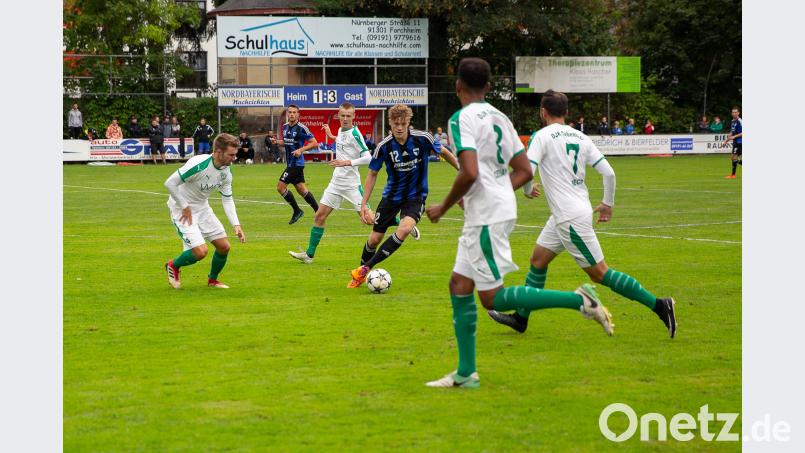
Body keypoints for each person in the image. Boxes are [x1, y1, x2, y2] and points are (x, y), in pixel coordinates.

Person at [423, 60, 615, 389]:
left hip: (486, 214)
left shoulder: (460, 119)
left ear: (458, 86)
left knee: (492, 298)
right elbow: (524, 170)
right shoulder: (501, 117)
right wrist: (495, 189)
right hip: (497, 208)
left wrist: (444, 205)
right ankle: (466, 373)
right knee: (459, 284)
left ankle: (580, 301)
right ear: (487, 87)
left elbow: (468, 171)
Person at [486, 89, 677, 340]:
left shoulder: (541, 136)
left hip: (569, 218)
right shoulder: (581, 137)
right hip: (569, 213)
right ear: (566, 113)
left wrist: (528, 191)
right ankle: (521, 318)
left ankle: (660, 305)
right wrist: (607, 203)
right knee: (538, 260)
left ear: (543, 112)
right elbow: (609, 173)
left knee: (600, 274)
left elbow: (526, 170)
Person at [346, 104, 459, 289]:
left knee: (405, 228)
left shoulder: (423, 139)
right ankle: (361, 271)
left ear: (409, 123)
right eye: (396, 123)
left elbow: (444, 151)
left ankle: (364, 270)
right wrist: (363, 205)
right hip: (391, 196)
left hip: (416, 196)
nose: (399, 127)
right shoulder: (383, 146)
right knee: (374, 239)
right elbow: (372, 174)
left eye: (403, 123)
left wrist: (461, 170)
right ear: (390, 123)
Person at [164, 133, 246, 290]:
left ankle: (212, 280)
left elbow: (227, 198)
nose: (234, 158)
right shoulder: (199, 164)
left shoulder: (226, 172)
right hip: (181, 209)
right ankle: (172, 265)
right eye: (231, 154)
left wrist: (236, 224)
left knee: (224, 246)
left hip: (202, 207)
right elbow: (170, 183)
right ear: (218, 152)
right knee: (201, 252)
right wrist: (184, 206)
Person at [276, 105, 320, 224]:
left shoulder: (301, 128)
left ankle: (297, 211)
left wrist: (301, 150)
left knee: (280, 187)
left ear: (298, 114)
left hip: (297, 164)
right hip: (291, 163)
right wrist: (277, 142)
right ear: (287, 114)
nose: (291, 114)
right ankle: (318, 212)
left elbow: (314, 143)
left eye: (294, 112)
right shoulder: (285, 127)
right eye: (290, 112)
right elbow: (286, 142)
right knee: (301, 189)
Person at [723, 107, 743, 179]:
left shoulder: (740, 121)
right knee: (733, 158)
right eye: (733, 112)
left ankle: (733, 175)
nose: (734, 113)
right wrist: (726, 141)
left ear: (738, 113)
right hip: (735, 142)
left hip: (740, 142)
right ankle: (733, 175)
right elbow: (732, 132)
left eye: (735, 112)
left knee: (734, 157)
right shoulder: (732, 121)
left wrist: (734, 137)